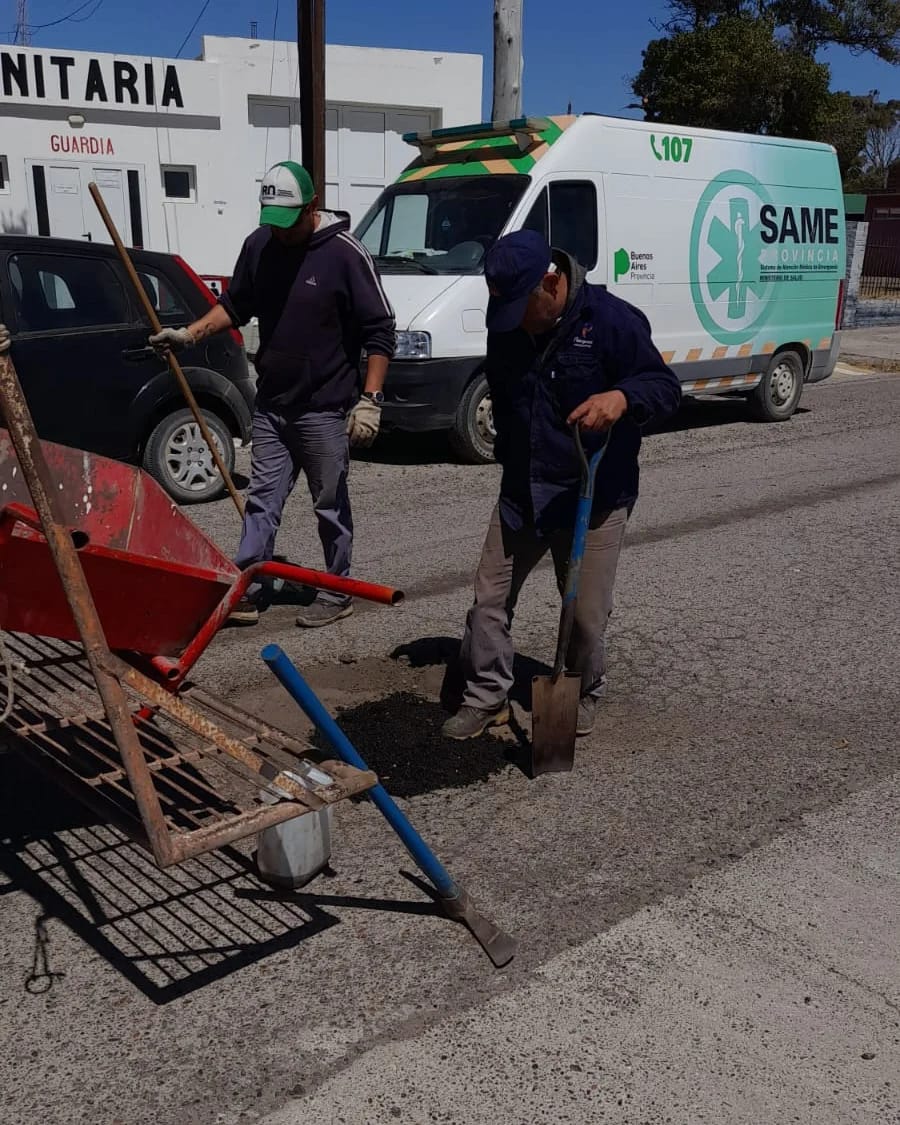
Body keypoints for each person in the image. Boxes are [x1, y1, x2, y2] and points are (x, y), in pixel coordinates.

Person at [442, 230, 681, 740]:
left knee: (586, 612)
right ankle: (487, 695)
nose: (513, 325)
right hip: (523, 491)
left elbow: (664, 387)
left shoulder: (612, 320)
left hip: (592, 494)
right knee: (488, 600)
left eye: (522, 309)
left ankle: (580, 687)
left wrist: (621, 396)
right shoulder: (508, 324)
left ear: (551, 284)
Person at [150, 161, 395, 628]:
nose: (280, 234)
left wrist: (371, 399)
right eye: (273, 223)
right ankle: (247, 584)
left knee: (329, 503)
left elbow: (380, 329)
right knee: (262, 499)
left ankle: (337, 587)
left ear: (312, 207)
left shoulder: (345, 254)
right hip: (274, 406)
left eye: (289, 223)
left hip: (324, 409)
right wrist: (190, 335)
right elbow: (236, 306)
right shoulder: (260, 245)